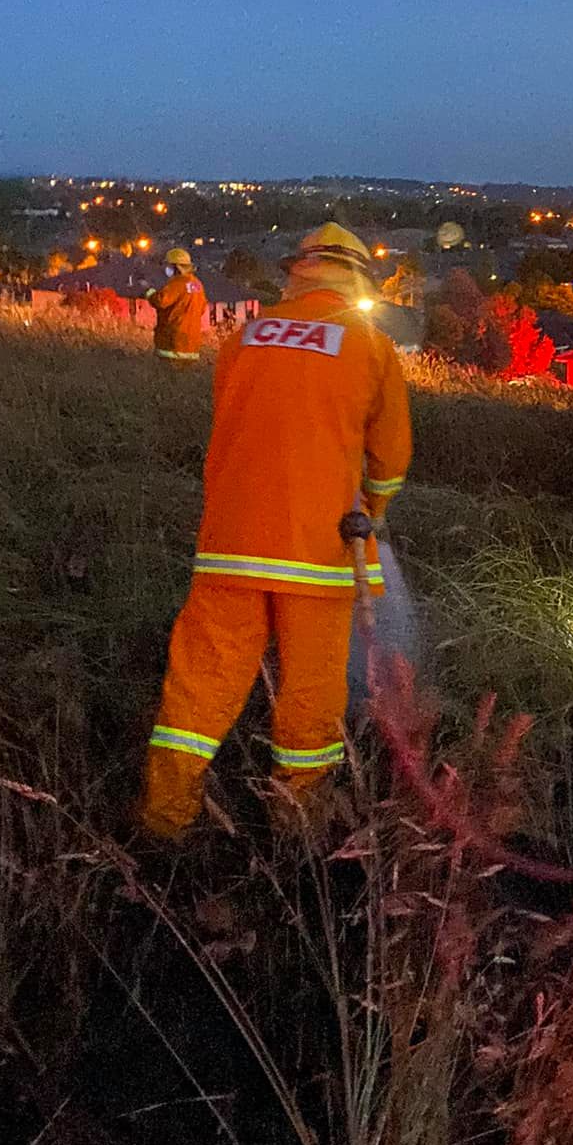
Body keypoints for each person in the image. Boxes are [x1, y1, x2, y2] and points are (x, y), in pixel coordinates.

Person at [139, 223, 412, 839]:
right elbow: (391, 458)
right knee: (310, 700)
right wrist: (371, 510)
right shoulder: (368, 344)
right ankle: (296, 833)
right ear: (357, 280)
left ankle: (162, 824)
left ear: (299, 272)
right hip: (320, 555)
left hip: (228, 546)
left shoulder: (246, 336)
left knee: (197, 692)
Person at [149, 247, 206, 363]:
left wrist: (148, 292)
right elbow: (202, 308)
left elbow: (161, 301)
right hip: (191, 346)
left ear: (176, 267)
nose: (166, 269)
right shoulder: (197, 284)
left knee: (168, 379)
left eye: (168, 266)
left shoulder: (178, 282)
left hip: (173, 344)